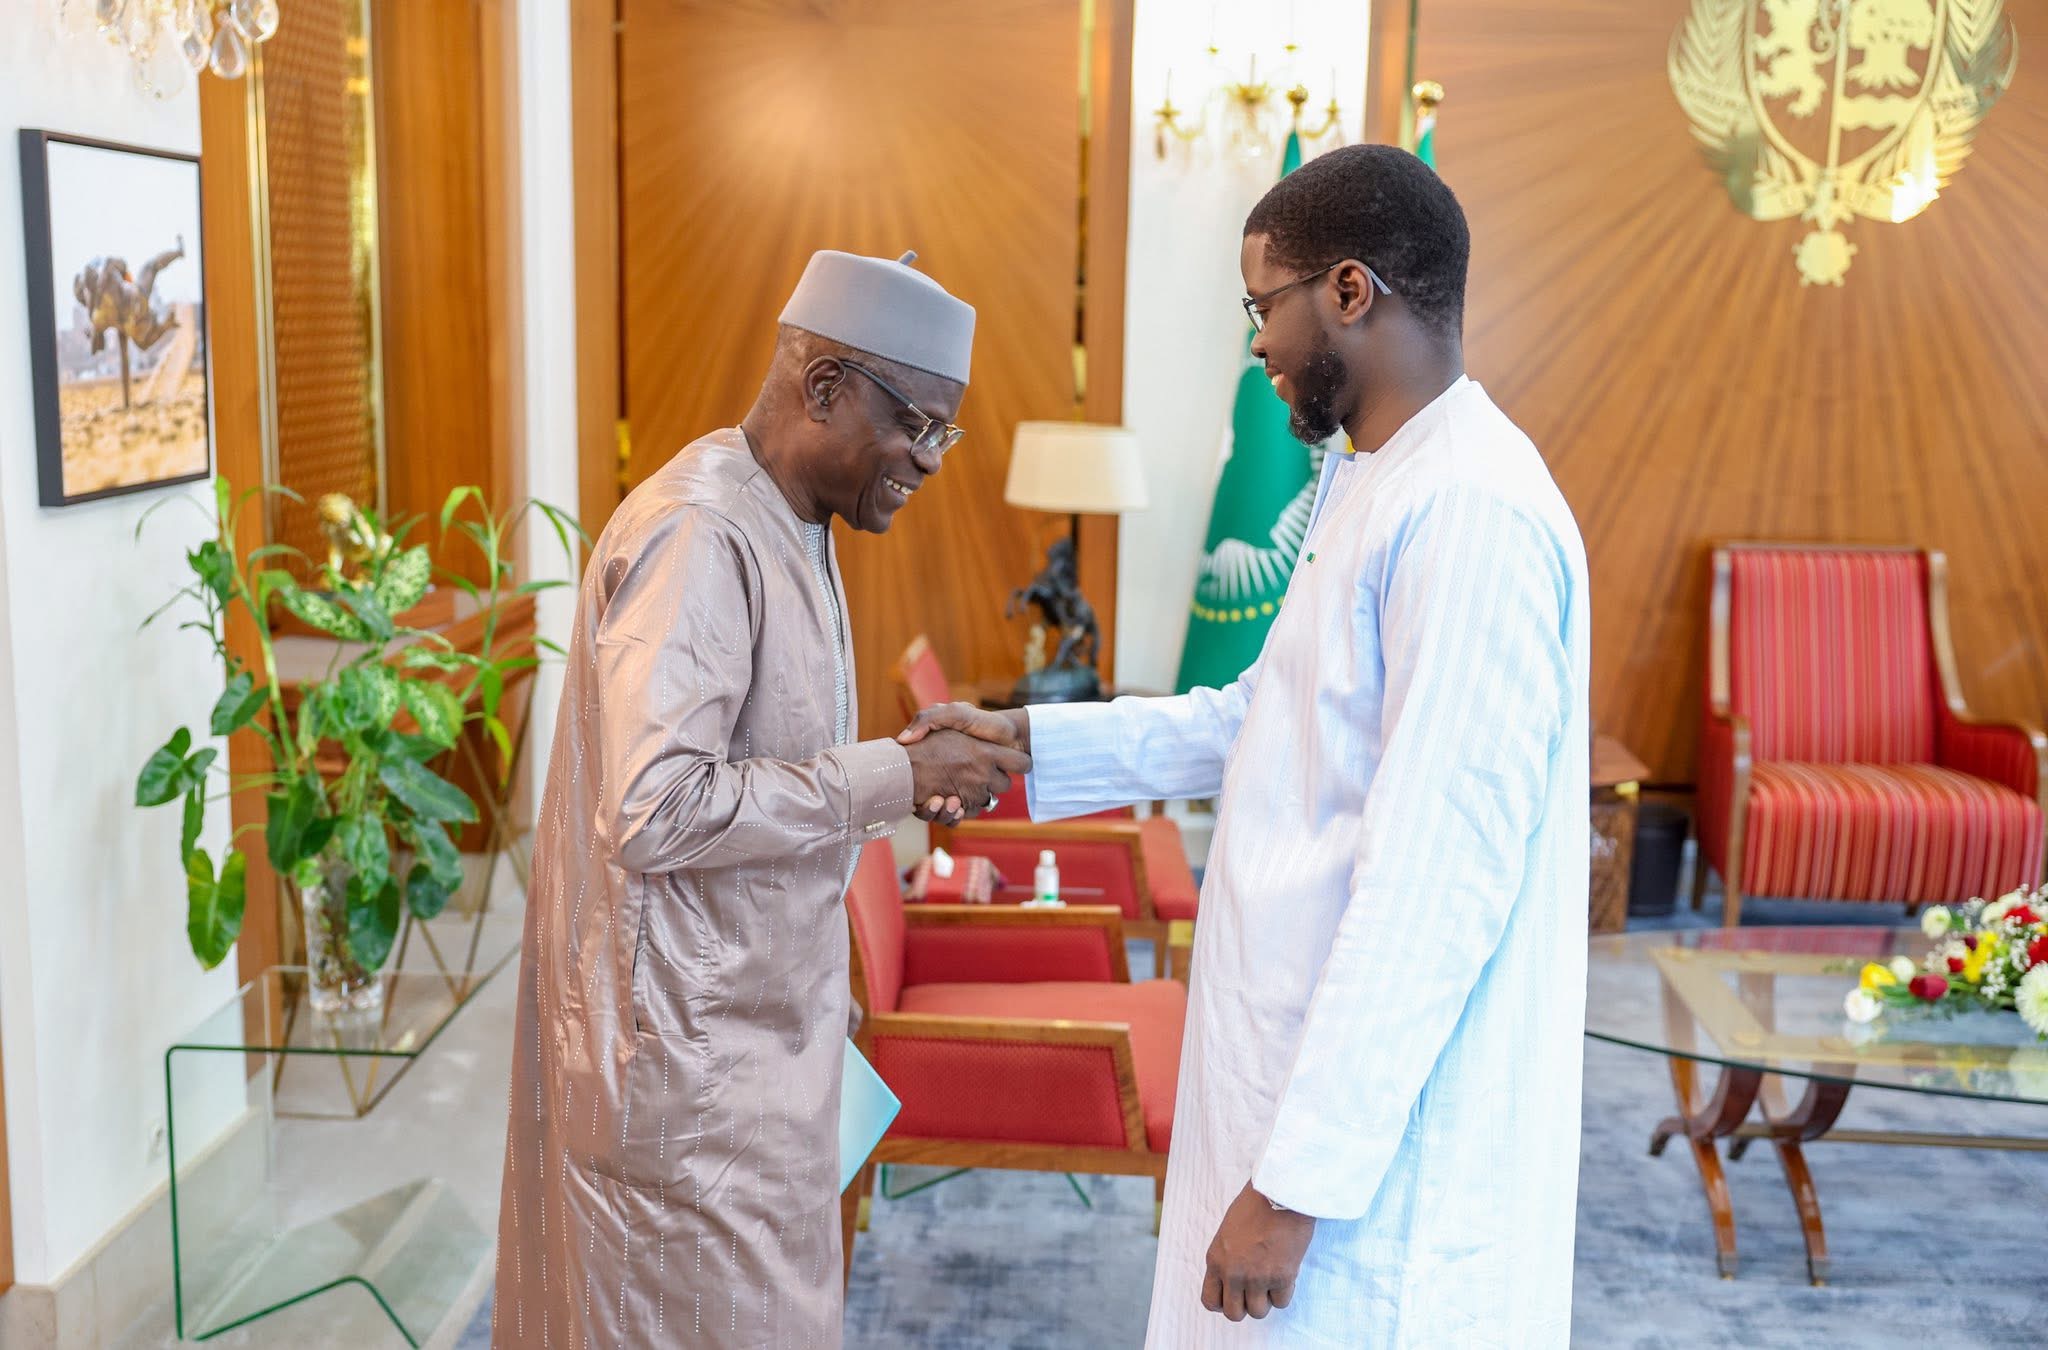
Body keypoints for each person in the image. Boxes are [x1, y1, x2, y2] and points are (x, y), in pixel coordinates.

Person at [904, 144, 1590, 1346]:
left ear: (1346, 289)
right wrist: (1022, 742)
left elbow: (1435, 887)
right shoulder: (1370, 479)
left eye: (1256, 306)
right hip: (1280, 1060)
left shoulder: (1470, 510)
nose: (1254, 346)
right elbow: (1250, 717)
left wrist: (1295, 1186)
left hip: (1373, 1170)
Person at [493, 249, 1029, 1349]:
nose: (928, 460)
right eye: (916, 424)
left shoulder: (792, 518)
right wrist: (891, 773)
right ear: (824, 385)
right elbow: (652, 807)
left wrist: (902, 772)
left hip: (762, 1040)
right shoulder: (703, 529)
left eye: (944, 433)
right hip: (686, 1073)